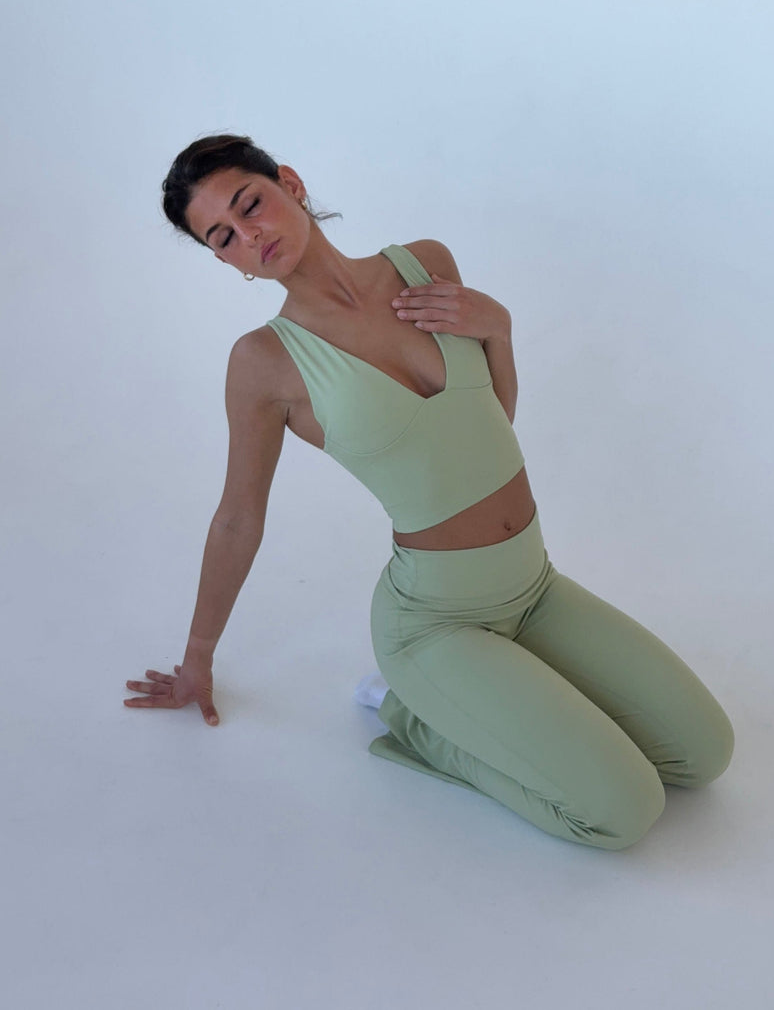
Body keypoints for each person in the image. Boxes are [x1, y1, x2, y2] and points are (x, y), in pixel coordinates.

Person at [124, 133, 734, 850]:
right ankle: (417, 719)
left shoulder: (424, 265)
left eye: (248, 203)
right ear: (225, 261)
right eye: (222, 237)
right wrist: (198, 657)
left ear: (289, 182)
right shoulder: (265, 363)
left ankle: (496, 701)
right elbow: (237, 517)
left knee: (703, 754)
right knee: (623, 810)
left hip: (535, 588)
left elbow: (484, 426)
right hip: (435, 623)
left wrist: (500, 331)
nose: (247, 234)